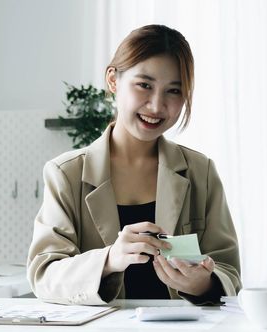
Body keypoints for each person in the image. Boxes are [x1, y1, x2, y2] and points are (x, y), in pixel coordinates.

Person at [27, 24, 241, 305]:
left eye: (174, 91)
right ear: (113, 81)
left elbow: (229, 270)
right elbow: (44, 274)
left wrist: (205, 284)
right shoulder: (66, 174)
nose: (156, 105)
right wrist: (109, 259)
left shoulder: (202, 172)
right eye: (145, 85)